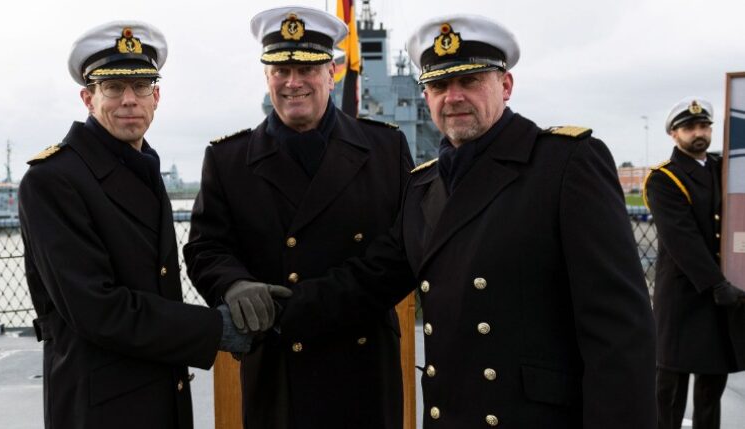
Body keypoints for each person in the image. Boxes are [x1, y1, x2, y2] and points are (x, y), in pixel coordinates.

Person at [277, 14, 657, 428]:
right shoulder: (423, 187)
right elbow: (369, 281)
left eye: (470, 80)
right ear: (426, 97)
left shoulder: (564, 164)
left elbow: (620, 333)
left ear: (506, 85)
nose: (453, 97)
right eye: (439, 85)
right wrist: (266, 310)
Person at [183, 6, 413, 428]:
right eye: (280, 69)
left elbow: (401, 255)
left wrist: (301, 307)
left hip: (362, 368)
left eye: (307, 68)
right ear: (266, 75)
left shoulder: (386, 151)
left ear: (332, 71)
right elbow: (205, 247)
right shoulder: (228, 159)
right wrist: (233, 284)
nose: (293, 82)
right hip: (278, 370)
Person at [19, 21, 251, 429]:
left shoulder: (141, 164)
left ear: (156, 97)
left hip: (160, 393)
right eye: (113, 87)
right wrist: (214, 328)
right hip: (102, 406)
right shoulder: (53, 180)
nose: (129, 99)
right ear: (87, 98)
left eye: (141, 86)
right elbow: (97, 309)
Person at [644, 97, 745, 429]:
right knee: (669, 389)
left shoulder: (725, 169)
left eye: (704, 126)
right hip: (685, 296)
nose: (698, 133)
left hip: (723, 292)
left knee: (710, 387)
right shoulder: (664, 178)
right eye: (689, 128)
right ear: (674, 134)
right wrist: (716, 283)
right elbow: (681, 239)